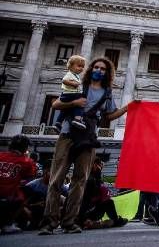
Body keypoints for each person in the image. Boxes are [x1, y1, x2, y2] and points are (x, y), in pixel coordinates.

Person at [39, 57, 129, 235]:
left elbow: (109, 116)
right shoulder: (79, 85)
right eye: (96, 67)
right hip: (67, 135)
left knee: (80, 181)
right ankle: (50, 222)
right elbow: (55, 104)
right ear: (91, 69)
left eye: (103, 69)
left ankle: (69, 222)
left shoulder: (107, 93)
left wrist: (128, 108)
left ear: (107, 72)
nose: (99, 70)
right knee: (56, 179)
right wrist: (74, 103)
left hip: (88, 138)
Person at [0, 135, 36, 234]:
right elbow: (30, 180)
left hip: (6, 197)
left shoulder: (0, 155)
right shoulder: (27, 161)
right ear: (25, 148)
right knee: (29, 190)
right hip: (9, 196)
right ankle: (8, 223)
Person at [78, 157, 127, 229]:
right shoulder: (91, 179)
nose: (101, 167)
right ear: (95, 165)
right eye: (100, 165)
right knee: (109, 202)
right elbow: (95, 193)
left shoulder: (89, 176)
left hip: (85, 211)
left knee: (108, 202)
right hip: (85, 213)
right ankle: (115, 221)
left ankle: (115, 220)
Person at [54, 55, 88, 132]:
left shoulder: (75, 75)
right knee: (82, 101)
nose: (81, 68)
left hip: (66, 95)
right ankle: (77, 119)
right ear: (71, 66)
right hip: (70, 94)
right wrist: (74, 84)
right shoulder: (70, 74)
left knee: (65, 109)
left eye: (82, 67)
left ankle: (58, 122)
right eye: (79, 66)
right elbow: (64, 80)